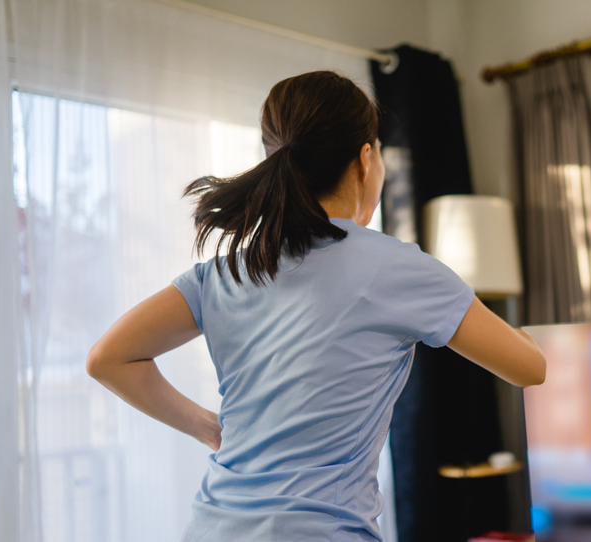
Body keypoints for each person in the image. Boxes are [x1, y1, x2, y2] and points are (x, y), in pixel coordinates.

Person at [85, 71, 547, 542]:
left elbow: (109, 359)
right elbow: (530, 368)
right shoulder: (397, 268)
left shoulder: (226, 272)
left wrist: (209, 427)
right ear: (365, 159)